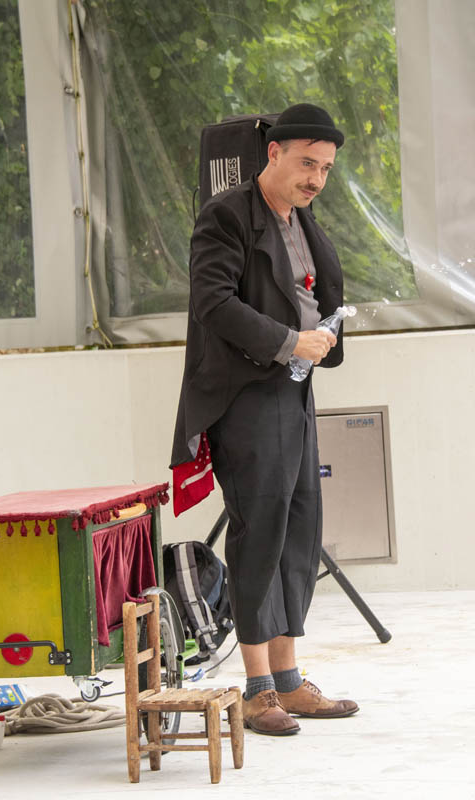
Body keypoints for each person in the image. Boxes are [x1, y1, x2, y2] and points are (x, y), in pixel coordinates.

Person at [170, 103, 358, 735]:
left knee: (299, 528)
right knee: (260, 530)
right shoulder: (225, 215)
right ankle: (256, 691)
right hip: (247, 392)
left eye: (325, 169)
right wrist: (288, 341)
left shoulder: (303, 221)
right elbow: (213, 302)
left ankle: (288, 680)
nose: (316, 179)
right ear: (273, 153)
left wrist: (322, 335)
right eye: (307, 163)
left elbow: (310, 291)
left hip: (295, 389)